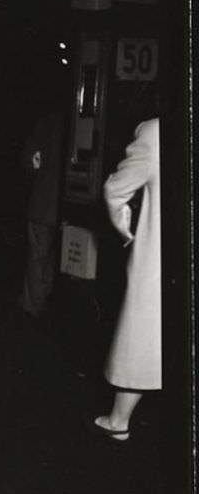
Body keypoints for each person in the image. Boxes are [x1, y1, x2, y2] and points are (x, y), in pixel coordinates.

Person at [86, 118, 161, 441]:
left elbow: (115, 190)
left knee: (146, 335)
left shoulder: (157, 131)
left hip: (163, 258)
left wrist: (129, 232)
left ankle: (119, 421)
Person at [18, 110, 65, 318]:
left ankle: (33, 304)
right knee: (53, 257)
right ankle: (46, 299)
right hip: (63, 205)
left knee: (37, 257)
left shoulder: (45, 123)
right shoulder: (69, 121)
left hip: (42, 203)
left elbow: (30, 162)